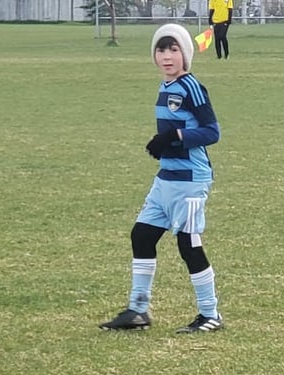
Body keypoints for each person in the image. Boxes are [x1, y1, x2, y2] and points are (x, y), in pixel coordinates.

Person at [100, 24, 224, 334]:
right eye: (161, 49)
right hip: (166, 179)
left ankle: (210, 314)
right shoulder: (165, 86)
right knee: (142, 236)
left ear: (185, 54)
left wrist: (174, 137)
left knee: (188, 244)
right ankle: (138, 310)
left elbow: (212, 132)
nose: (167, 56)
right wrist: (165, 145)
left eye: (174, 49)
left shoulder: (191, 87)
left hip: (191, 180)